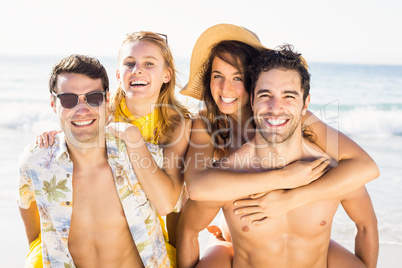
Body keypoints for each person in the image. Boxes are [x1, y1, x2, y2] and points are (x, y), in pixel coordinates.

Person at [177, 24, 379, 267]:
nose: (225, 88)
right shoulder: (206, 124)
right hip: (240, 225)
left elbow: (365, 167)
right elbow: (197, 187)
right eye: (217, 76)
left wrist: (290, 198)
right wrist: (283, 178)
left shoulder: (299, 121)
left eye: (237, 77)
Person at [32, 32, 192, 267]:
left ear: (167, 74)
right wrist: (54, 134)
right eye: (129, 63)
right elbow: (73, 121)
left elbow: (168, 204)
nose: (137, 69)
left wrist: (132, 137)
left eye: (149, 63)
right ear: (118, 74)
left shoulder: (178, 124)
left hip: (148, 231)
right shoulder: (101, 113)